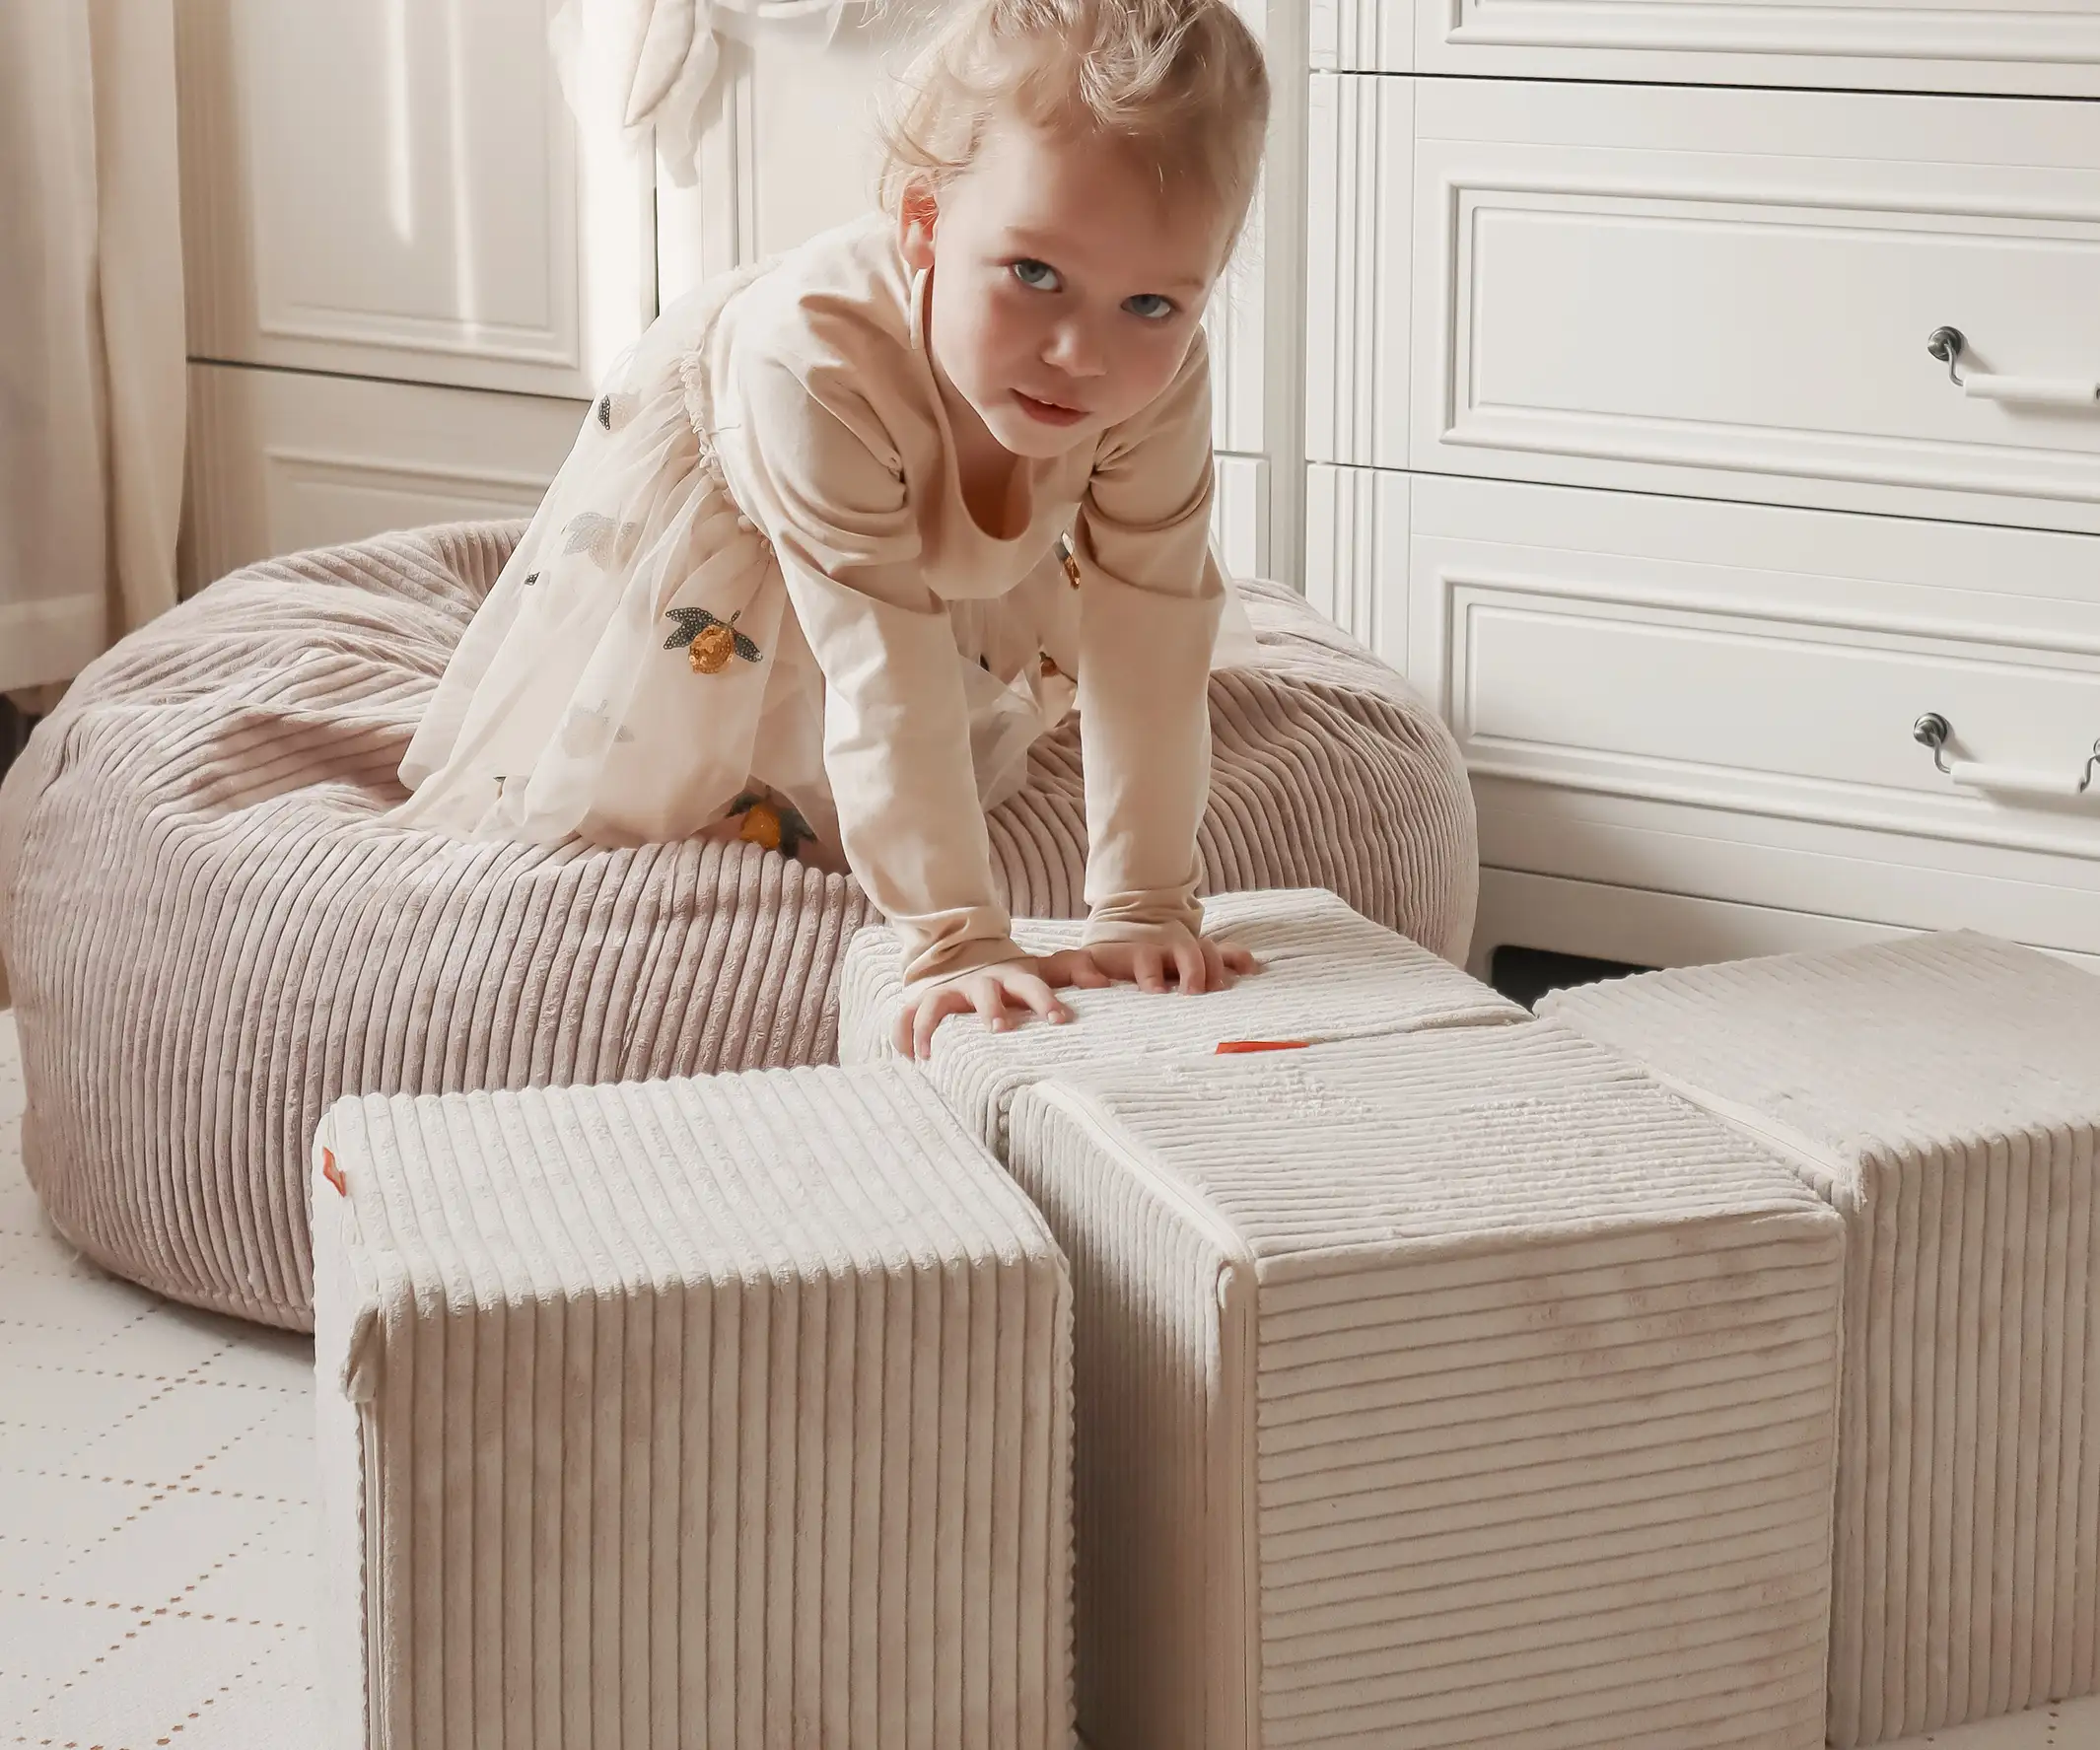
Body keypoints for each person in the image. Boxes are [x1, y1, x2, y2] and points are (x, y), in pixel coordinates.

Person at [393, 0, 1270, 1058]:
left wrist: (1145, 903)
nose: (1082, 355)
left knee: (985, 660)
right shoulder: (808, 364)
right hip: (755, 511)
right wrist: (956, 937)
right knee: (692, 791)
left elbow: (1153, 620)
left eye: (1153, 305)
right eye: (1034, 274)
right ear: (924, 220)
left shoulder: (1152, 376)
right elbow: (883, 671)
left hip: (937, 490)